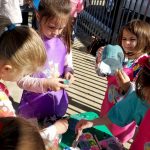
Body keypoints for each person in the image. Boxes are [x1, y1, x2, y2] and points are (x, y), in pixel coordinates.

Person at [0, 15, 68, 150]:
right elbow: (19, 143)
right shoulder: (3, 107)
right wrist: (53, 130)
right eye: (25, 73)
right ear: (7, 69)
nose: (24, 76)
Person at [18, 0, 74, 124]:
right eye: (51, 27)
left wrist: (69, 71)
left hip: (56, 104)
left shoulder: (63, 41)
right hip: (33, 108)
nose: (56, 32)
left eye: (61, 28)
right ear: (38, 16)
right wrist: (46, 83)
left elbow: (67, 59)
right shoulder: (30, 44)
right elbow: (20, 80)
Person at [75, 55, 150, 150]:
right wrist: (92, 122)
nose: (147, 99)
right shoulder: (139, 98)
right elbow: (118, 114)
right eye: (147, 96)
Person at [95, 19, 150, 143]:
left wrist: (127, 86)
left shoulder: (145, 64)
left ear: (144, 40)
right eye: (124, 39)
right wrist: (101, 62)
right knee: (103, 131)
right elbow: (102, 73)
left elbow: (142, 95)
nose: (126, 43)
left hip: (126, 114)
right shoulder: (120, 55)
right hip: (108, 105)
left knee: (116, 141)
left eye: (132, 39)